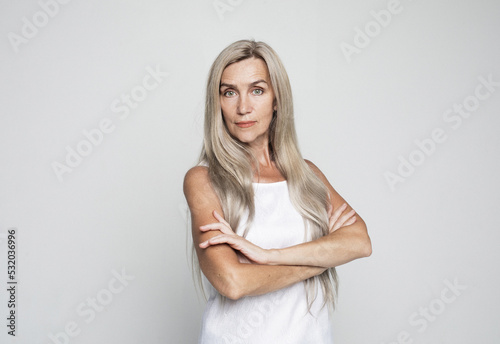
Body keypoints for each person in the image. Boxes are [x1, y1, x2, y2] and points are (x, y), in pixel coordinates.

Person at [183, 39, 372, 343]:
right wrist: (320, 259)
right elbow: (232, 282)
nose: (243, 107)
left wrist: (268, 257)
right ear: (216, 103)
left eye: (257, 90)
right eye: (229, 92)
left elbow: (360, 242)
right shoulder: (204, 180)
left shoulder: (308, 175)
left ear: (276, 99)